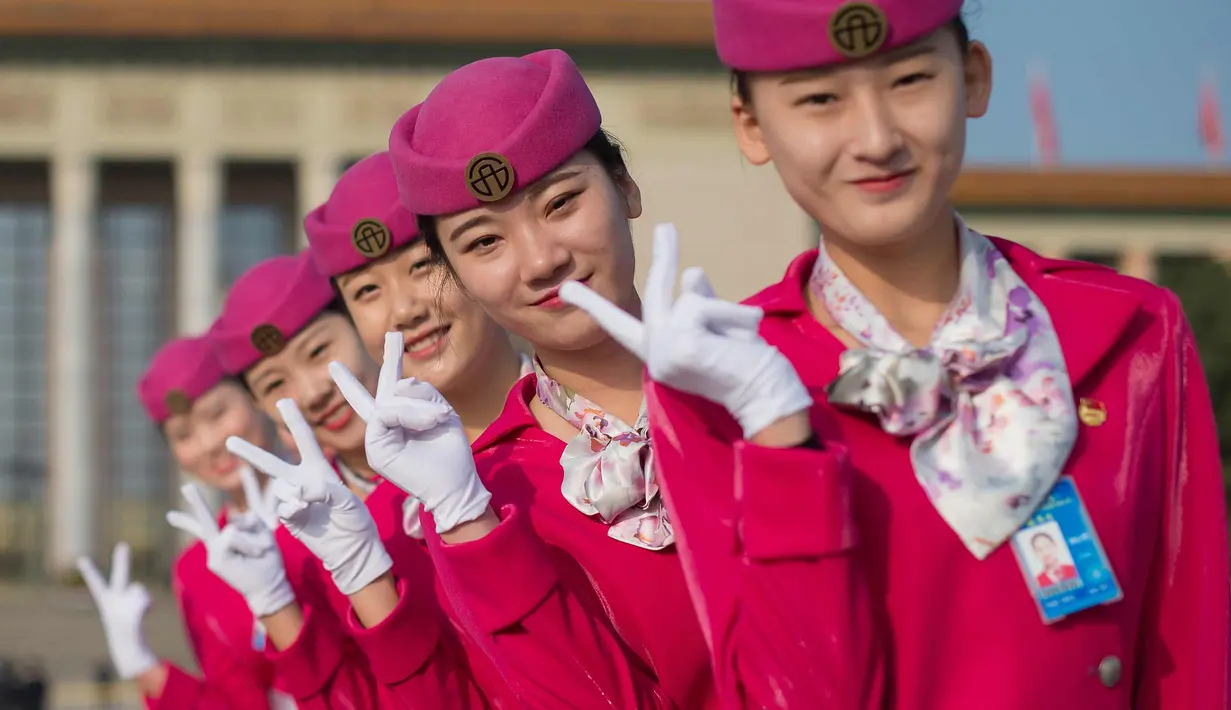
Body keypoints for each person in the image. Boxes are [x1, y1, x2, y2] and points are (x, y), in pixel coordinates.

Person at [568, 1, 1231, 708]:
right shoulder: (721, 382)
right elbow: (787, 692)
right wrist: (778, 436)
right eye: (820, 99)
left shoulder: (1125, 334)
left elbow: (1189, 655)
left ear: (972, 78)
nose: (875, 138)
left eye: (910, 80)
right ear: (752, 125)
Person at [308, 47, 822, 710]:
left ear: (624, 187)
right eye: (484, 242)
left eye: (560, 203)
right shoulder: (488, 494)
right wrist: (471, 530)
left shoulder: (787, 357)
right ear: (457, 278)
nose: (542, 259)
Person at [211, 250, 489, 707]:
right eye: (275, 385)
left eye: (319, 352)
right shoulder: (303, 543)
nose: (314, 391)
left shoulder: (477, 438)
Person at [77, 334, 369, 709]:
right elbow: (236, 701)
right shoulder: (198, 569)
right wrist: (142, 665)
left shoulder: (342, 490)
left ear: (254, 398)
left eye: (217, 414)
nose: (209, 443)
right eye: (183, 435)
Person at [303, 150, 532, 445]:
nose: (404, 310)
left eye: (423, 265)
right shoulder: (394, 488)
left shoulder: (595, 423)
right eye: (367, 290)